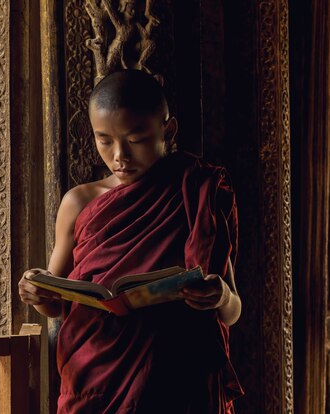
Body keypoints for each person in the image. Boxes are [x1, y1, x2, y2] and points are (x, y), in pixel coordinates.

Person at [18, 69, 244, 413]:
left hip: (177, 379)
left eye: (136, 139)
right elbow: (55, 306)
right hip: (93, 377)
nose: (120, 155)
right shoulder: (79, 202)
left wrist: (221, 296)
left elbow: (232, 312)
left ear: (167, 130)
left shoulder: (196, 190)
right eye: (104, 140)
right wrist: (36, 294)